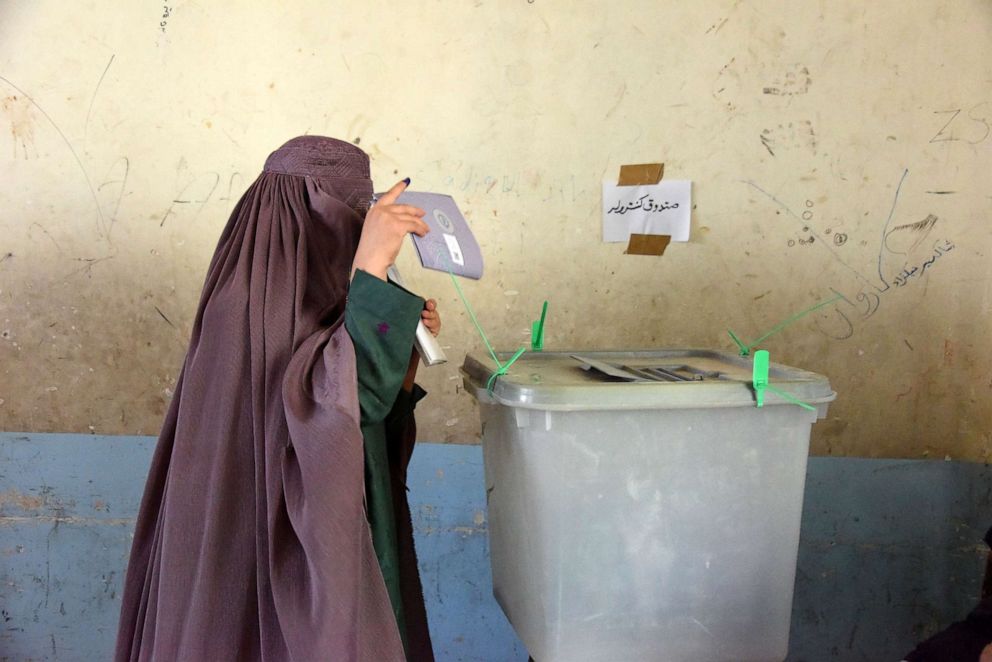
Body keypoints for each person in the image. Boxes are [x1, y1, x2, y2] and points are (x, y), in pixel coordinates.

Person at [114, 136, 439, 661]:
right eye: (342, 207)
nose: (354, 221)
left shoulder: (340, 298)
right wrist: (372, 269)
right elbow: (325, 412)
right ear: (298, 211)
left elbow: (367, 418)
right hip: (247, 538)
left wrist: (399, 346)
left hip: (340, 534)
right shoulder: (240, 303)